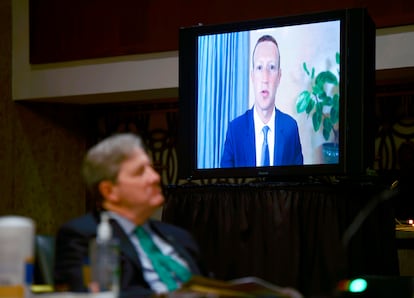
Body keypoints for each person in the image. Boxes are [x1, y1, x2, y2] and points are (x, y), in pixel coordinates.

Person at [54, 133, 207, 297]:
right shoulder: (84, 236)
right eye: (140, 172)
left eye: (152, 169)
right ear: (109, 191)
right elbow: (95, 294)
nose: (155, 177)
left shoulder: (180, 236)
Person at [220, 35, 303, 168]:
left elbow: (299, 183)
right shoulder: (235, 130)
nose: (265, 78)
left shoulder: (290, 128)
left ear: (279, 77)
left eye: (271, 67)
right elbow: (224, 182)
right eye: (259, 67)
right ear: (252, 76)